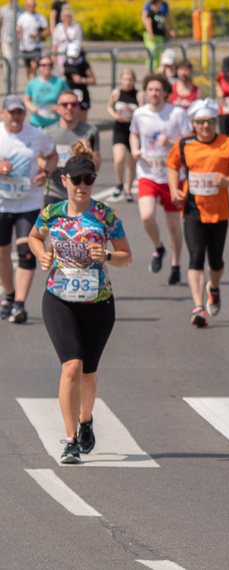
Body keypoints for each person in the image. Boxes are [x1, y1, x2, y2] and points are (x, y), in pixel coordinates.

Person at [28, 143, 132, 464]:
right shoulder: (52, 213)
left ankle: (86, 419)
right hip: (59, 299)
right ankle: (71, 438)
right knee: (70, 367)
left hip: (98, 301)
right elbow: (34, 236)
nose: (83, 186)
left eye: (89, 180)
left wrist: (110, 256)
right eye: (77, 180)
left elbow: (127, 257)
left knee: (88, 373)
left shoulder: (105, 215)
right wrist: (41, 253)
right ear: (65, 181)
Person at [166, 98, 229, 327]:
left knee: (215, 261)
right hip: (192, 209)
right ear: (194, 123)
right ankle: (198, 307)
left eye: (210, 121)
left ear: (216, 121)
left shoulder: (227, 143)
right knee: (195, 258)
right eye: (201, 122)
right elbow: (172, 166)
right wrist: (174, 189)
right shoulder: (184, 144)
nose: (205, 126)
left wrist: (226, 180)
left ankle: (213, 288)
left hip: (219, 211)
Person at [0, 95, 58, 324]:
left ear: (24, 114)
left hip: (29, 203)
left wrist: (46, 173)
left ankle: (19, 304)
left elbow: (52, 155)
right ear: (3, 113)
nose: (16, 116)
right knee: (3, 255)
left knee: (26, 252)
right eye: (11, 112)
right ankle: (9, 294)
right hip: (2, 204)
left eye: (19, 112)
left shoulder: (36, 134)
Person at [130, 73, 192, 285]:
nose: (154, 93)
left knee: (174, 226)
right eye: (150, 90)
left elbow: (189, 141)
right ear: (145, 92)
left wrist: (171, 143)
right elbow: (134, 133)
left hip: (173, 176)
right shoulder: (139, 113)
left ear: (166, 92)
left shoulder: (177, 113)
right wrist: (135, 149)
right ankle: (158, 247)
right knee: (146, 216)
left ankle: (175, 265)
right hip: (147, 173)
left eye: (158, 90)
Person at [43, 90, 100, 208]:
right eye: (64, 105)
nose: (69, 108)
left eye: (73, 104)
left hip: (80, 194)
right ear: (58, 108)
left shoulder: (90, 132)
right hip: (54, 192)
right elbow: (39, 159)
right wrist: (48, 166)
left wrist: (88, 151)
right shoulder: (47, 133)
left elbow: (96, 166)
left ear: (78, 108)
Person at [107, 68, 145, 202]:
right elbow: (109, 107)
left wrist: (132, 116)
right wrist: (114, 115)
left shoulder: (138, 95)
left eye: (130, 80)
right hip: (119, 129)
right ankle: (119, 184)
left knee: (131, 162)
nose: (127, 83)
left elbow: (143, 111)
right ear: (121, 80)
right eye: (125, 80)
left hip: (133, 131)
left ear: (134, 81)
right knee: (119, 158)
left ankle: (128, 189)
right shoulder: (117, 93)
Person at [23, 55, 68, 129]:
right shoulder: (33, 82)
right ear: (39, 67)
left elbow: (68, 97)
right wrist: (33, 109)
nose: (46, 67)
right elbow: (26, 99)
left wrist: (59, 107)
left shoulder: (60, 81)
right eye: (43, 65)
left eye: (49, 65)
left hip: (55, 122)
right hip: (37, 122)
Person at [62, 42, 96, 123]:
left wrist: (82, 80)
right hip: (69, 92)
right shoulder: (67, 63)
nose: (73, 58)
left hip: (81, 94)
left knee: (81, 120)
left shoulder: (84, 64)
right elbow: (65, 74)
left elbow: (93, 80)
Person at [16, 0, 48, 80]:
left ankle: (33, 84)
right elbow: (18, 28)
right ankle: (31, 84)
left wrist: (38, 35)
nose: (31, 7)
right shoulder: (22, 17)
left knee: (34, 66)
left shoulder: (40, 17)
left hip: (36, 46)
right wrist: (19, 32)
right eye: (29, 5)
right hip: (25, 46)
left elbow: (47, 30)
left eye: (33, 5)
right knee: (28, 69)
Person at [142, 0, 174, 66]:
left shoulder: (160, 11)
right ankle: (151, 71)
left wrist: (170, 29)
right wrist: (150, 33)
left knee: (160, 55)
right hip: (154, 36)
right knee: (153, 55)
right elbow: (147, 20)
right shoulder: (151, 11)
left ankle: (158, 71)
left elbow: (163, 22)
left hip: (160, 36)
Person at [51, 3, 81, 72]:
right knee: (64, 73)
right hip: (61, 54)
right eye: (65, 16)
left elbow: (78, 42)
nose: (67, 18)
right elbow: (55, 43)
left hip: (73, 55)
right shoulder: (59, 27)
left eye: (68, 16)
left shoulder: (76, 27)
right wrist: (53, 56)